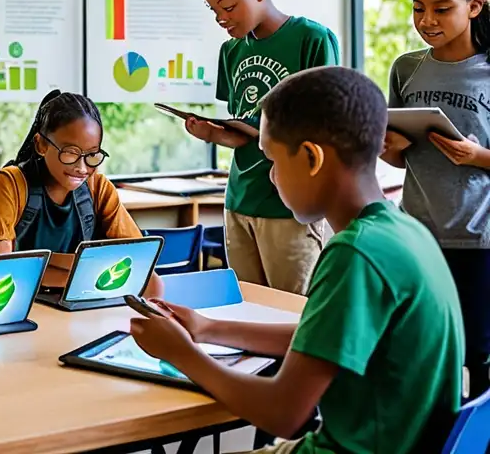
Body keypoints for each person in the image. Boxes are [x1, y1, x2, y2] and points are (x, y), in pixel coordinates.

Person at [130, 67, 464, 454]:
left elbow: (283, 413)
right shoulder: (403, 231)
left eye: (273, 160)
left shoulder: (354, 254)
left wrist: (181, 354)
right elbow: (321, 341)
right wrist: (207, 328)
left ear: (310, 157)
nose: (272, 177)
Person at [180, 0, 340, 294]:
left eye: (229, 6)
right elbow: (242, 130)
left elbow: (323, 128)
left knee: (293, 317)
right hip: (239, 201)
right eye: (214, 9)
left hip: (290, 205)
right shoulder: (231, 52)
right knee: (248, 310)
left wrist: (259, 129)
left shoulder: (311, 40)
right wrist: (214, 133)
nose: (221, 18)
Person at [382, 0, 490, 397]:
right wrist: (393, 148)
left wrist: (477, 156)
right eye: (417, 7)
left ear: (475, 7)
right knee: (426, 351)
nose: (426, 20)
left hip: (479, 238)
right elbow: (393, 160)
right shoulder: (406, 68)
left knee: (477, 358)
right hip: (419, 235)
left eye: (442, 8)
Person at [0, 90, 163, 297]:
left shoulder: (98, 187)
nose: (81, 167)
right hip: (13, 302)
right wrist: (83, 270)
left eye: (91, 155)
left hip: (75, 306)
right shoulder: (8, 185)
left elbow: (139, 259)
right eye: (70, 152)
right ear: (41, 145)